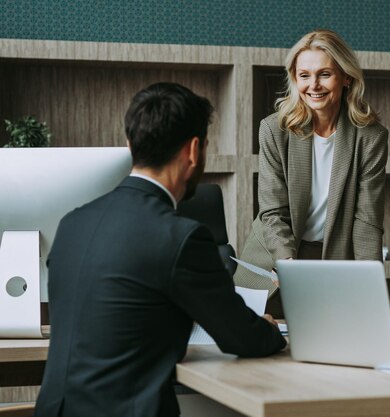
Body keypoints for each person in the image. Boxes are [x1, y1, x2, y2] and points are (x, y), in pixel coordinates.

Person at [35, 82, 286, 417]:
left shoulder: (71, 224)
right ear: (194, 150)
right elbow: (244, 339)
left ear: (130, 144)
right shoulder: (181, 236)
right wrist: (268, 328)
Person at [234, 29, 389, 307]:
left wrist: (371, 292)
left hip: (335, 260)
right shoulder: (274, 129)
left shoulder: (371, 137)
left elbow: (367, 221)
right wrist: (289, 265)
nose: (313, 85)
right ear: (295, 79)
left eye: (324, 74)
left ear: (346, 77)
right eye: (304, 75)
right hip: (273, 260)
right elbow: (272, 212)